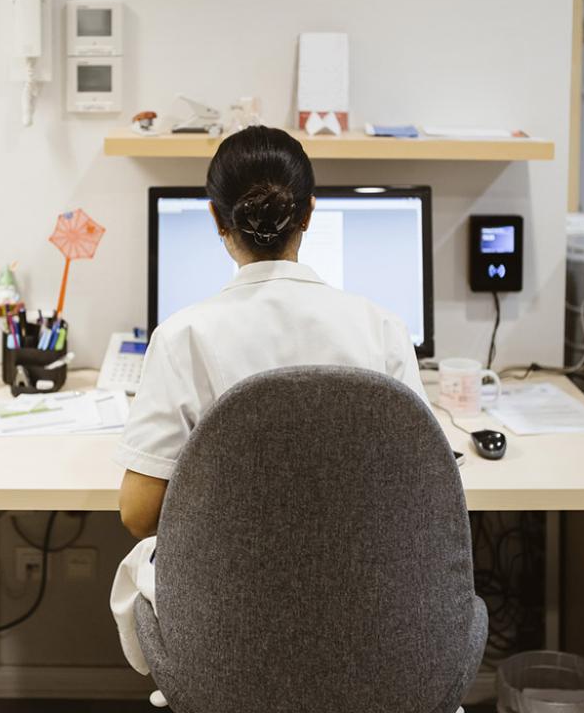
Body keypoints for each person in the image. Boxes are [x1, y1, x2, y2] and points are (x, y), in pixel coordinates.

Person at [109, 125, 427, 674]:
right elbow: (421, 493)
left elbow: (139, 515)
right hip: (365, 628)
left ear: (215, 219)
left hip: (229, 634)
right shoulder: (382, 328)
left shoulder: (186, 336)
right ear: (309, 214)